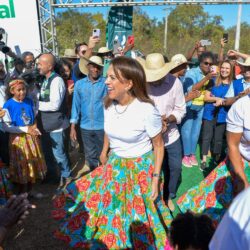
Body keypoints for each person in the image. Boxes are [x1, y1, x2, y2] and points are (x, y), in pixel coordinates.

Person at [52, 56, 172, 249]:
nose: (106, 81)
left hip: (140, 170)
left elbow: (158, 145)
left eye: (112, 78)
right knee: (113, 208)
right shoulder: (109, 103)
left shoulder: (146, 110)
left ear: (129, 83)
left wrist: (156, 178)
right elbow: (109, 129)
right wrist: (104, 150)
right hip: (115, 166)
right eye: (107, 77)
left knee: (138, 213)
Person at [177, 94, 250, 224]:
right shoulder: (242, 106)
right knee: (214, 213)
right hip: (241, 162)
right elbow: (232, 145)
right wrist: (241, 179)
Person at [138, 53, 186, 212]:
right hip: (149, 138)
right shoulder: (142, 84)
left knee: (175, 168)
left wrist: (168, 120)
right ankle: (154, 198)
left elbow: (180, 109)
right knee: (154, 169)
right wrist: (154, 124)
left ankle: (169, 195)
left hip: (172, 136)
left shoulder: (176, 83)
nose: (154, 79)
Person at [2, 79, 47, 196]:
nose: (22, 92)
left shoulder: (29, 101)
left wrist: (35, 128)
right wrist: (26, 129)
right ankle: (22, 193)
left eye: (23, 90)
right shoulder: (8, 105)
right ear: (12, 91)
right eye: (19, 90)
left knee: (33, 161)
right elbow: (6, 127)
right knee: (22, 164)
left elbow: (33, 119)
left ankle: (30, 190)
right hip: (18, 140)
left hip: (31, 138)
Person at [36, 53, 71, 187]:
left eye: (40, 64)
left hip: (56, 125)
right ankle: (52, 175)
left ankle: (66, 177)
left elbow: (55, 105)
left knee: (59, 154)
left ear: (49, 66)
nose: (38, 66)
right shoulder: (45, 79)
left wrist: (36, 105)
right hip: (45, 125)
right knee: (47, 153)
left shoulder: (57, 80)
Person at [70, 55, 107, 170]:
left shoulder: (106, 83)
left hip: (102, 127)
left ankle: (103, 180)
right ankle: (94, 178)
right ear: (88, 67)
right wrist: (73, 126)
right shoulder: (80, 84)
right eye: (93, 67)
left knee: (103, 155)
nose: (95, 70)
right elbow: (75, 106)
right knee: (90, 156)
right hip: (85, 127)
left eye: (98, 67)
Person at [181, 52, 217, 168]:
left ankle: (192, 154)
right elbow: (191, 88)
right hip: (190, 106)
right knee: (187, 130)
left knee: (195, 132)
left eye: (210, 64)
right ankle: (185, 155)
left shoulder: (211, 75)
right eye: (206, 63)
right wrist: (206, 78)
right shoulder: (192, 72)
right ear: (200, 63)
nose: (208, 66)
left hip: (201, 106)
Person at [200, 60, 234, 170]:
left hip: (224, 114)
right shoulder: (213, 81)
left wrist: (223, 101)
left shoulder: (234, 84)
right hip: (209, 113)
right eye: (223, 68)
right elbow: (206, 97)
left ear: (231, 70)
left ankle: (216, 158)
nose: (224, 70)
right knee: (207, 137)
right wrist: (216, 98)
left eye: (227, 68)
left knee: (218, 138)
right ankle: (204, 160)